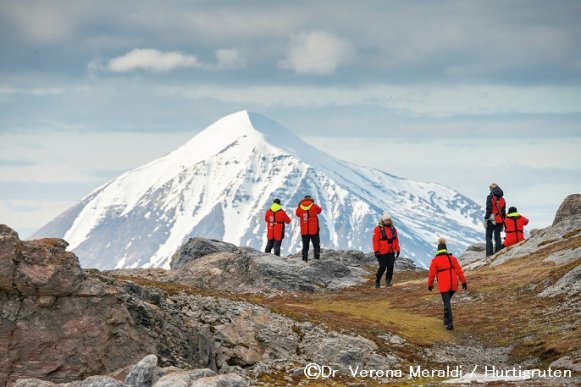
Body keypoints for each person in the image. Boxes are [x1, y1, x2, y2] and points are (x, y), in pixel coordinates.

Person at [427, 238, 467, 330]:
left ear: (438, 250)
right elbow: (459, 271)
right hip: (453, 284)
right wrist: (463, 281)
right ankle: (445, 320)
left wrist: (430, 284)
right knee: (447, 302)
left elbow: (431, 274)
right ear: (446, 249)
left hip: (444, 285)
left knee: (446, 303)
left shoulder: (435, 260)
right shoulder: (452, 258)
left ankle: (450, 323)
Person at [372, 213, 400, 288]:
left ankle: (388, 282)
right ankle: (377, 281)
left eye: (389, 220)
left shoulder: (393, 229)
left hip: (391, 251)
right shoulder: (377, 229)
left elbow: (396, 240)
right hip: (381, 252)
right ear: (383, 221)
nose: (388, 221)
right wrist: (376, 251)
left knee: (390, 267)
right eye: (386, 220)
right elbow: (375, 241)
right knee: (383, 267)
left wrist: (397, 249)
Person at [295, 195, 322, 262]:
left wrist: (300, 204)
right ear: (311, 199)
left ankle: (304, 259)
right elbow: (319, 211)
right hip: (314, 230)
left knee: (305, 246)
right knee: (316, 244)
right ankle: (316, 258)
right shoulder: (314, 206)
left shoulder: (300, 208)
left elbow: (297, 214)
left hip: (304, 230)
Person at [484, 183, 506, 256]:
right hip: (500, 219)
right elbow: (503, 211)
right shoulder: (503, 200)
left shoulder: (490, 197)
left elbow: (489, 209)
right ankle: (498, 252)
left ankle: (489, 254)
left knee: (488, 236)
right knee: (497, 236)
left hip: (492, 218)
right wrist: (504, 221)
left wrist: (486, 219)